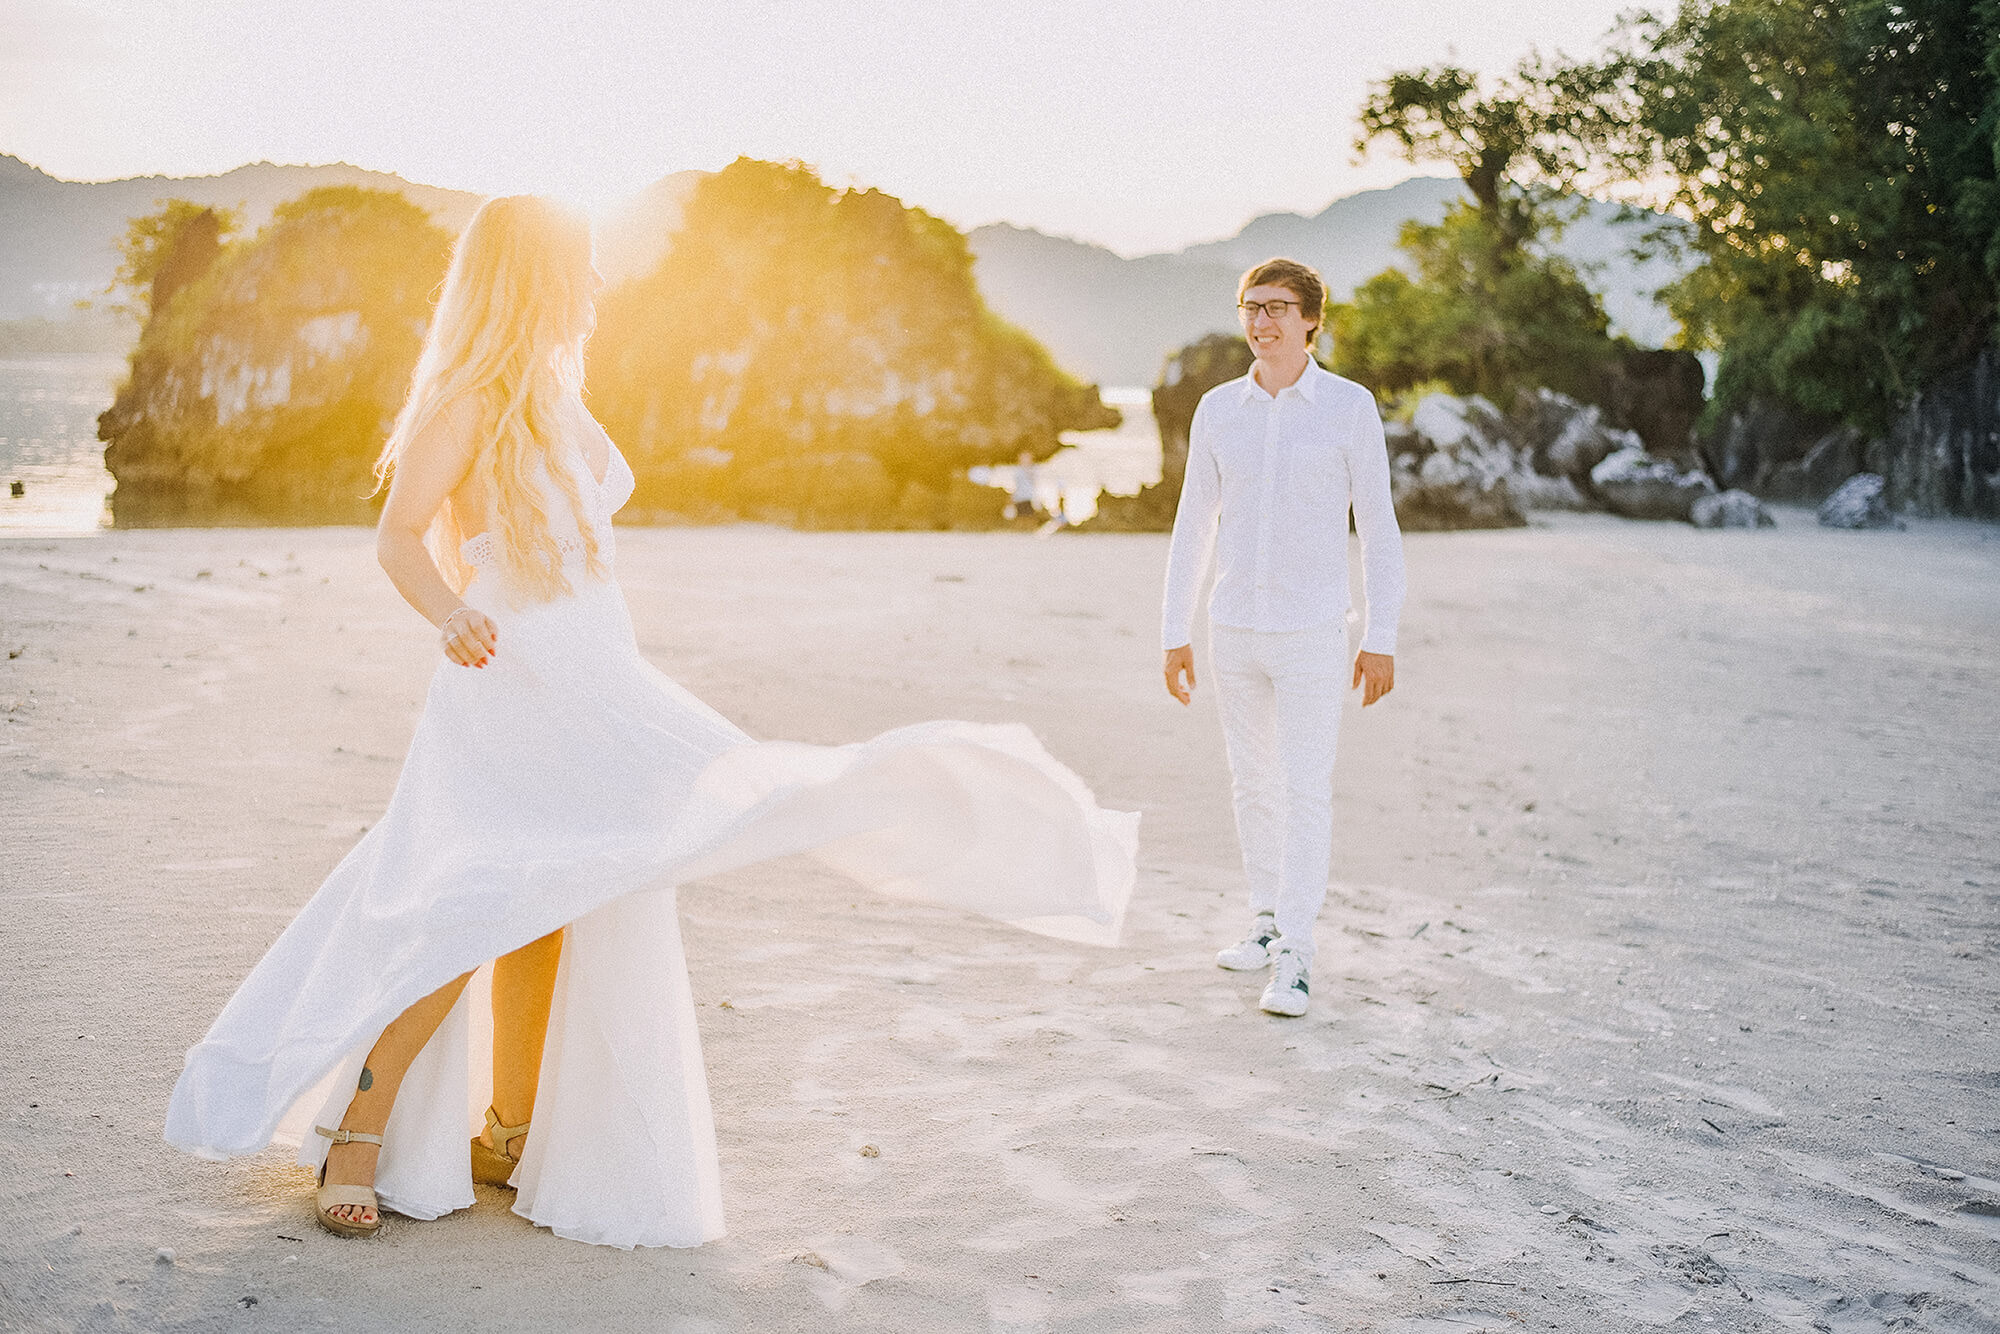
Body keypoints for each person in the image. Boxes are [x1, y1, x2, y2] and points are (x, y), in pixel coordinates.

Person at [164, 196, 1137, 1247]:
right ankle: (360, 1127)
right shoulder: (467, 398)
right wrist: (450, 617)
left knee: (558, 893)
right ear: (528, 279)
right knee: (471, 897)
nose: (590, 285)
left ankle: (508, 1126)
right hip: (510, 678)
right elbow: (398, 535)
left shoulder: (555, 393)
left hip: (597, 673)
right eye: (573, 267)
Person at [1159, 257, 1405, 1018]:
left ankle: (1297, 954)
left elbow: (1380, 525)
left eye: (1276, 307)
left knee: (1306, 790)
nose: (1261, 322)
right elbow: (1194, 522)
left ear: (1310, 319)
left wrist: (1382, 633)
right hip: (1233, 627)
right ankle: (1265, 920)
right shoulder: (1217, 410)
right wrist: (1175, 631)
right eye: (1250, 307)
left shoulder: (1348, 406)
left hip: (1313, 633)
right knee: (1251, 783)